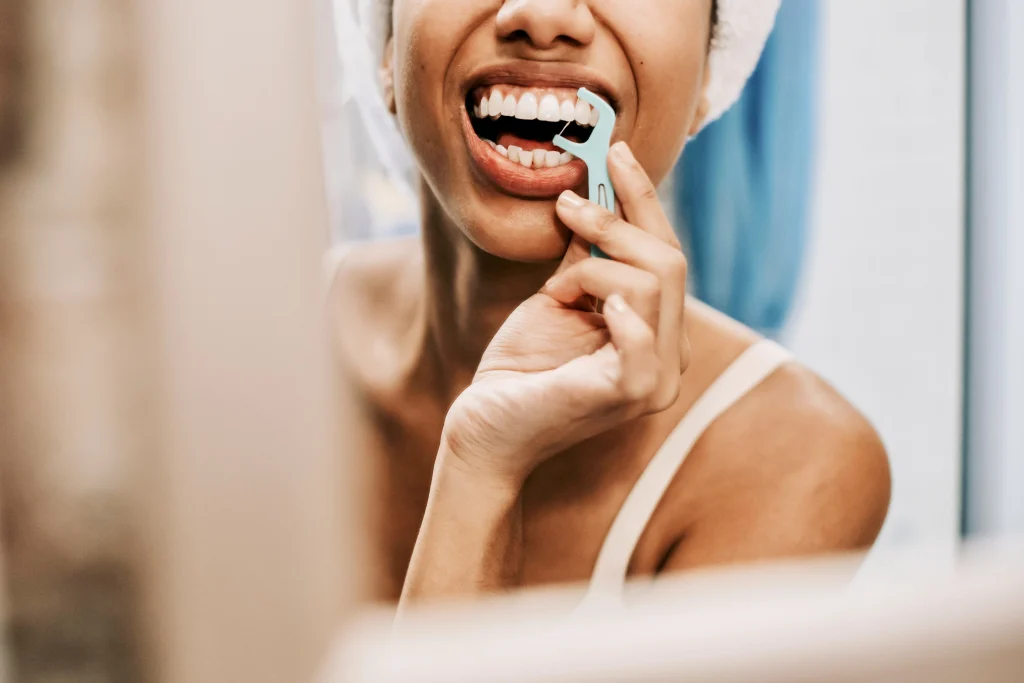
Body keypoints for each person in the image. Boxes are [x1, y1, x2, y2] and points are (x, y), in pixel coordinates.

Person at [327, 0, 891, 607]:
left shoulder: (803, 464)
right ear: (384, 44)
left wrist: (484, 465)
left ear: (710, 70)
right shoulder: (236, 343)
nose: (543, 16)